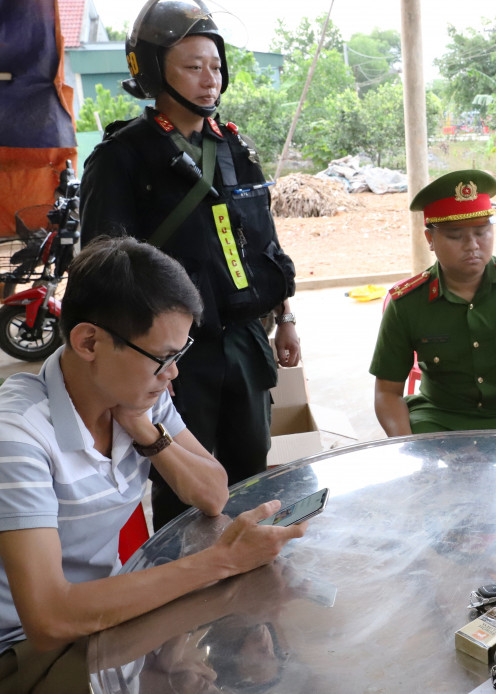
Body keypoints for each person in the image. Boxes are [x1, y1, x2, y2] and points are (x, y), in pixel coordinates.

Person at [0, 237, 306, 694]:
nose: (173, 374)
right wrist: (220, 562)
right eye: (163, 358)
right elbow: (49, 616)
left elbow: (213, 493)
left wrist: (146, 431)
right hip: (24, 650)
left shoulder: (135, 396)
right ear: (89, 342)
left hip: (102, 618)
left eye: (179, 355)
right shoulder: (18, 436)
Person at [79, 0, 300, 529]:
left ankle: (251, 578)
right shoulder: (122, 157)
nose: (210, 79)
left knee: (251, 474)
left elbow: (263, 242)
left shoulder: (235, 148)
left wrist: (286, 319)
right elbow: (102, 270)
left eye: (216, 66)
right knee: (184, 493)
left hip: (246, 341)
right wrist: (143, 360)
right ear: (156, 72)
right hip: (174, 355)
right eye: (192, 66)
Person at [369, 169, 496, 435]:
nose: (472, 245)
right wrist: (407, 447)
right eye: (455, 235)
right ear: (430, 239)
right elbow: (387, 391)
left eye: (482, 232)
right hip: (436, 418)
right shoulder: (407, 303)